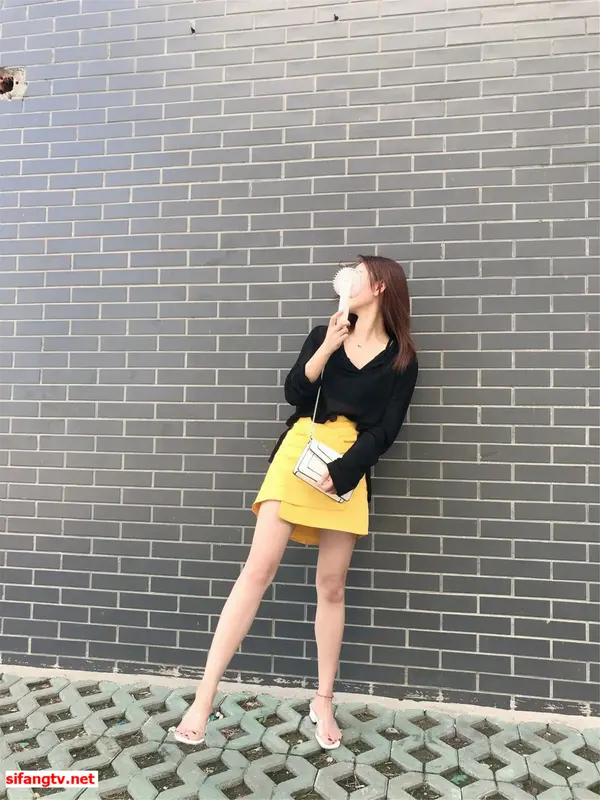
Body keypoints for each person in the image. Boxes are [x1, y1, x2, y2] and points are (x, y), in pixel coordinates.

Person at [172, 255, 418, 750]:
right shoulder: (324, 333)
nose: (350, 279)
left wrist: (344, 470)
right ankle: (203, 698)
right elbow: (294, 392)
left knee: (332, 586)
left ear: (381, 287)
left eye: (360, 273)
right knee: (257, 570)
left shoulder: (402, 359)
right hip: (300, 451)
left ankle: (323, 700)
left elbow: (386, 430)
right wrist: (327, 346)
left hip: (348, 464)